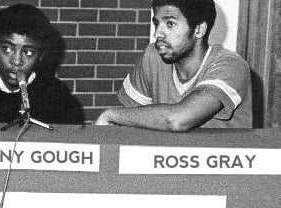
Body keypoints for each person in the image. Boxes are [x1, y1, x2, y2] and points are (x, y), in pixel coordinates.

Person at [96, 0, 252, 131]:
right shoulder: (153, 57)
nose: (157, 34)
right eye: (157, 23)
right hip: (166, 162)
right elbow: (130, 121)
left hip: (218, 164)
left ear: (199, 30)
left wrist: (111, 115)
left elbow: (177, 120)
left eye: (170, 23)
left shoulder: (232, 66)